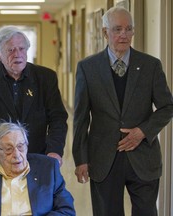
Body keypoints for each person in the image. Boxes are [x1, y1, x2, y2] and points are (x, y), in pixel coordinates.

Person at [72, 6, 173, 216]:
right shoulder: (88, 68)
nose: (124, 35)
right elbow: (80, 118)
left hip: (143, 157)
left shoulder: (150, 65)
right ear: (105, 32)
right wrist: (81, 159)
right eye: (117, 29)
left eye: (128, 29)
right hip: (103, 159)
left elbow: (167, 106)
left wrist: (143, 131)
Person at [0, 25, 68, 165]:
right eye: (10, 50)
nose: (17, 54)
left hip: (37, 158)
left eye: (21, 49)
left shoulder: (46, 77)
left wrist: (54, 150)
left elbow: (58, 118)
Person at [0, 121, 75, 215]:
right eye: (9, 149)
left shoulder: (48, 169)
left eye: (20, 146)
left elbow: (66, 210)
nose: (17, 154)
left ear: (27, 147)